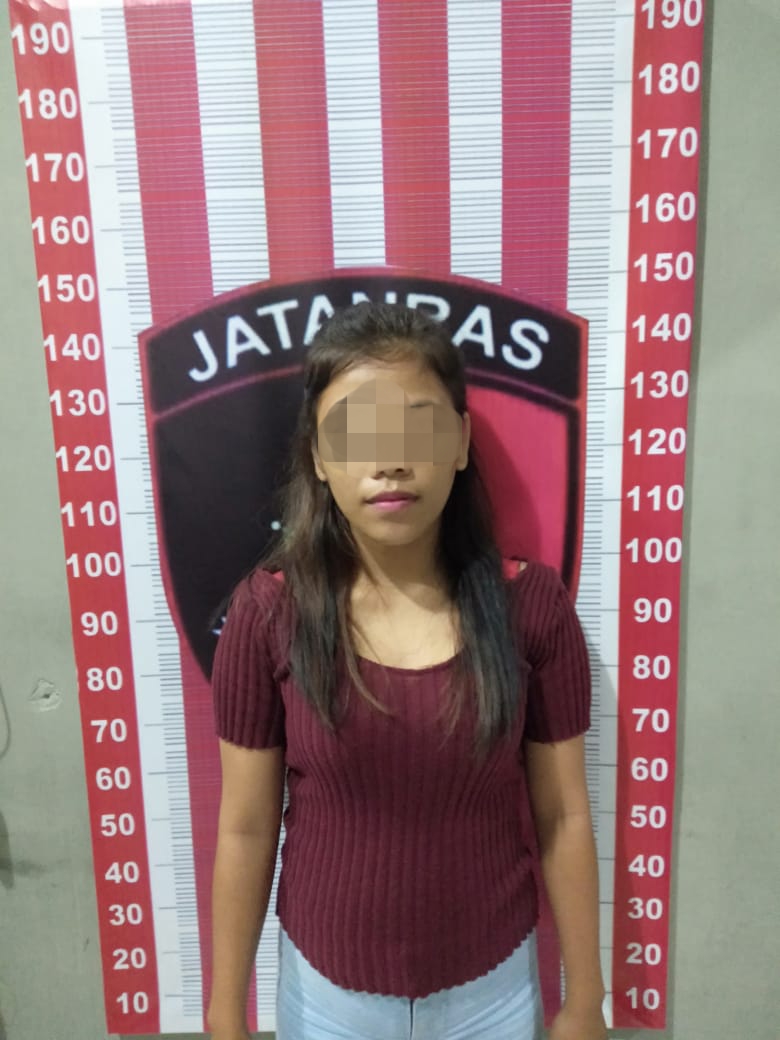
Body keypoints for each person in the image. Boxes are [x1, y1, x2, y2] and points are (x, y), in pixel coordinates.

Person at [206, 301, 608, 1040]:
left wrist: (586, 999)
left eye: (417, 427)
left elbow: (563, 817)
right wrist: (225, 1014)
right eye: (356, 434)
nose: (389, 460)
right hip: (323, 1004)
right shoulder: (267, 614)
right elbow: (246, 827)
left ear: (459, 442)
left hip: (496, 998)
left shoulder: (532, 607)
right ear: (319, 457)